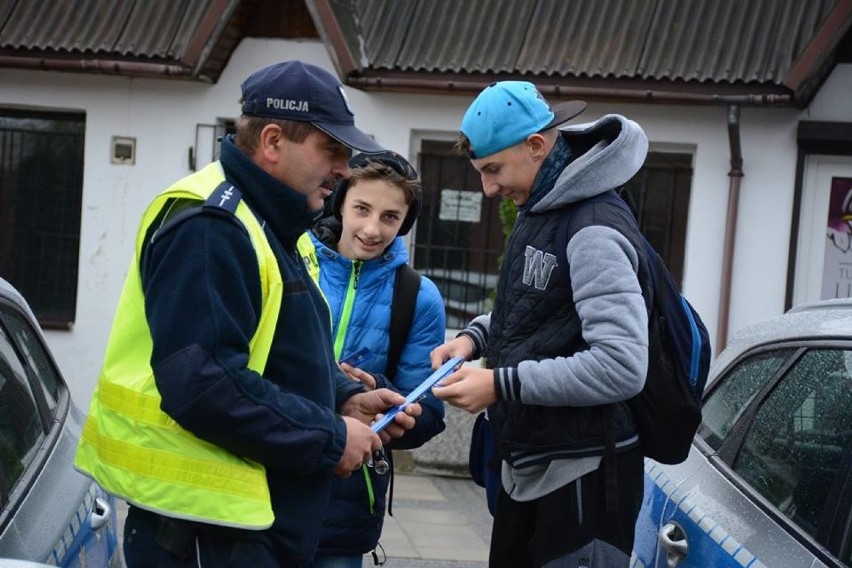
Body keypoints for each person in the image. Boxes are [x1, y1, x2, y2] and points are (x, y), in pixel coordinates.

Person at [74, 60, 422, 568]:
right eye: (331, 149)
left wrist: (344, 398)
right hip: (202, 534)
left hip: (242, 529)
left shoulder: (271, 222)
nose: (344, 168)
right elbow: (206, 385)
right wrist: (328, 436)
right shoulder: (213, 225)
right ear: (274, 142)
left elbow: (277, 349)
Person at [430, 81, 651, 567]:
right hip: (536, 467)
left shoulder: (592, 227)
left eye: (493, 169)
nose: (488, 189)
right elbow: (541, 310)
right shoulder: (542, 206)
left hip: (583, 481)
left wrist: (500, 384)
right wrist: (475, 338)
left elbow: (622, 365)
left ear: (536, 146)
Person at [298, 151, 447, 567]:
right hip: (264, 491)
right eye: (361, 208)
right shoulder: (290, 262)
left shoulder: (419, 297)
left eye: (390, 217)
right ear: (339, 201)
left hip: (345, 511)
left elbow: (430, 416)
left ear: (405, 223)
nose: (371, 228)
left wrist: (382, 398)